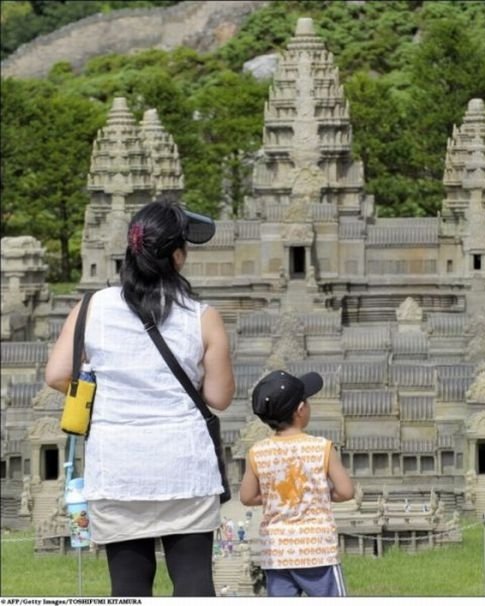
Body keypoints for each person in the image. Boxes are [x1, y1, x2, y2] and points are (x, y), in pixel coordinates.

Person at [45, 198, 235, 597]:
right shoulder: (202, 316)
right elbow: (219, 397)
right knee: (194, 579)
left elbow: (58, 374)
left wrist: (109, 395)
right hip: (185, 466)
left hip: (117, 466)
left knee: (129, 585)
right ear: (179, 257)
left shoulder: (91, 307)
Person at [239, 369, 354, 597]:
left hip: (278, 553)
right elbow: (346, 491)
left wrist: (276, 497)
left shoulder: (257, 452)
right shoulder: (322, 447)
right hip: (317, 551)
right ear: (301, 410)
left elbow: (247, 497)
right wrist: (319, 494)